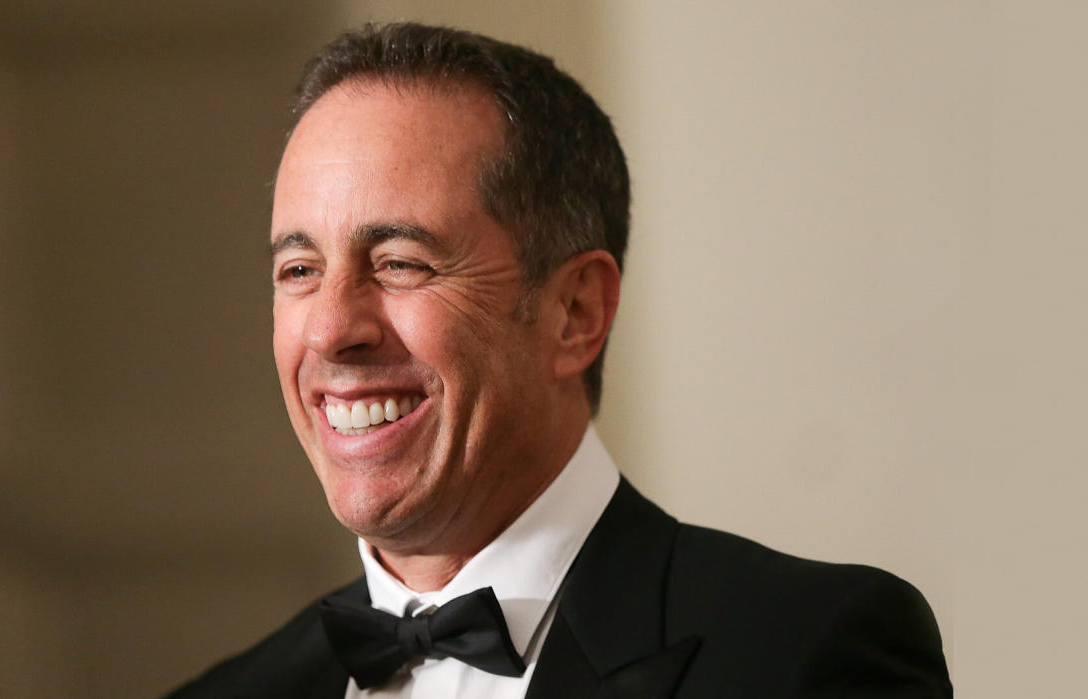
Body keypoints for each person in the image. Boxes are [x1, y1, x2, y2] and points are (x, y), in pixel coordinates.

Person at [170, 22, 951, 699]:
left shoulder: (801, 655)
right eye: (299, 271)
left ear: (576, 312)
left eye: (402, 261)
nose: (333, 327)